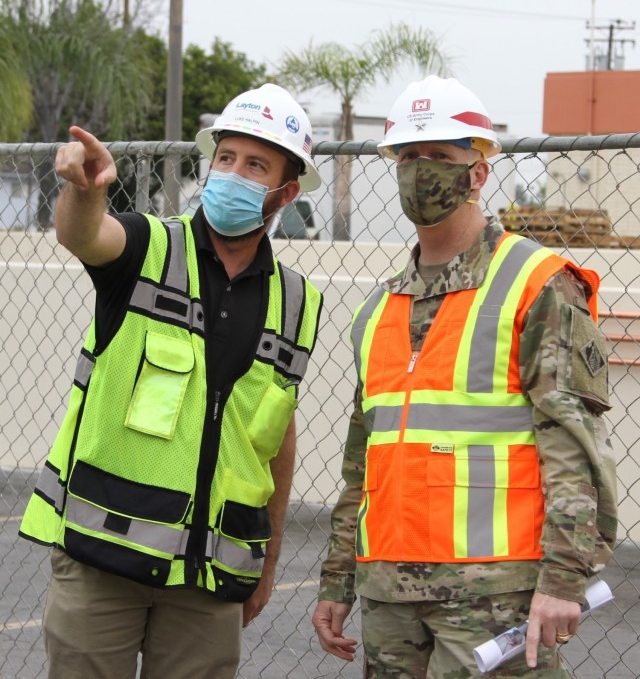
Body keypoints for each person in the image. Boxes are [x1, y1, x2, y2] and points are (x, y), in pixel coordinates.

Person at [311, 75, 618, 678]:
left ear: (477, 173)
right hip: (388, 595)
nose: (420, 172)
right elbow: (362, 464)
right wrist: (339, 579)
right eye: (409, 157)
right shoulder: (379, 309)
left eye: (440, 158)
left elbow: (573, 448)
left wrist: (563, 579)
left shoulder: (535, 284)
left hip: (493, 594)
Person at [19, 83, 324, 679]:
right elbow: (84, 234)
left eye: (255, 164)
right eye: (225, 157)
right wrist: (84, 192)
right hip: (101, 563)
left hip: (206, 583)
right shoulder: (145, 246)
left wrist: (267, 561)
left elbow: (275, 439)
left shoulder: (296, 303)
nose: (232, 174)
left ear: (285, 192)